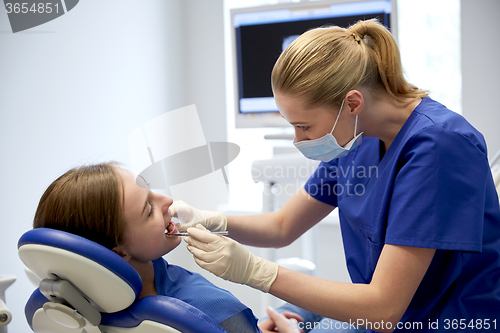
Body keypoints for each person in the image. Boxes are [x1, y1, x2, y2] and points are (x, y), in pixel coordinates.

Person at [173, 18, 500, 333]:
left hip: (442, 319)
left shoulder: (440, 146)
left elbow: (384, 307)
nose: (298, 140)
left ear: (352, 102)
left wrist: (254, 272)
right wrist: (211, 219)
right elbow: (283, 226)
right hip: (387, 313)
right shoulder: (357, 138)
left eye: (303, 126)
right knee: (295, 313)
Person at [33, 162, 302, 333]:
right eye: (148, 209)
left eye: (150, 190)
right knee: (334, 319)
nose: (167, 200)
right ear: (119, 253)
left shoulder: (80, 309)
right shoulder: (204, 306)